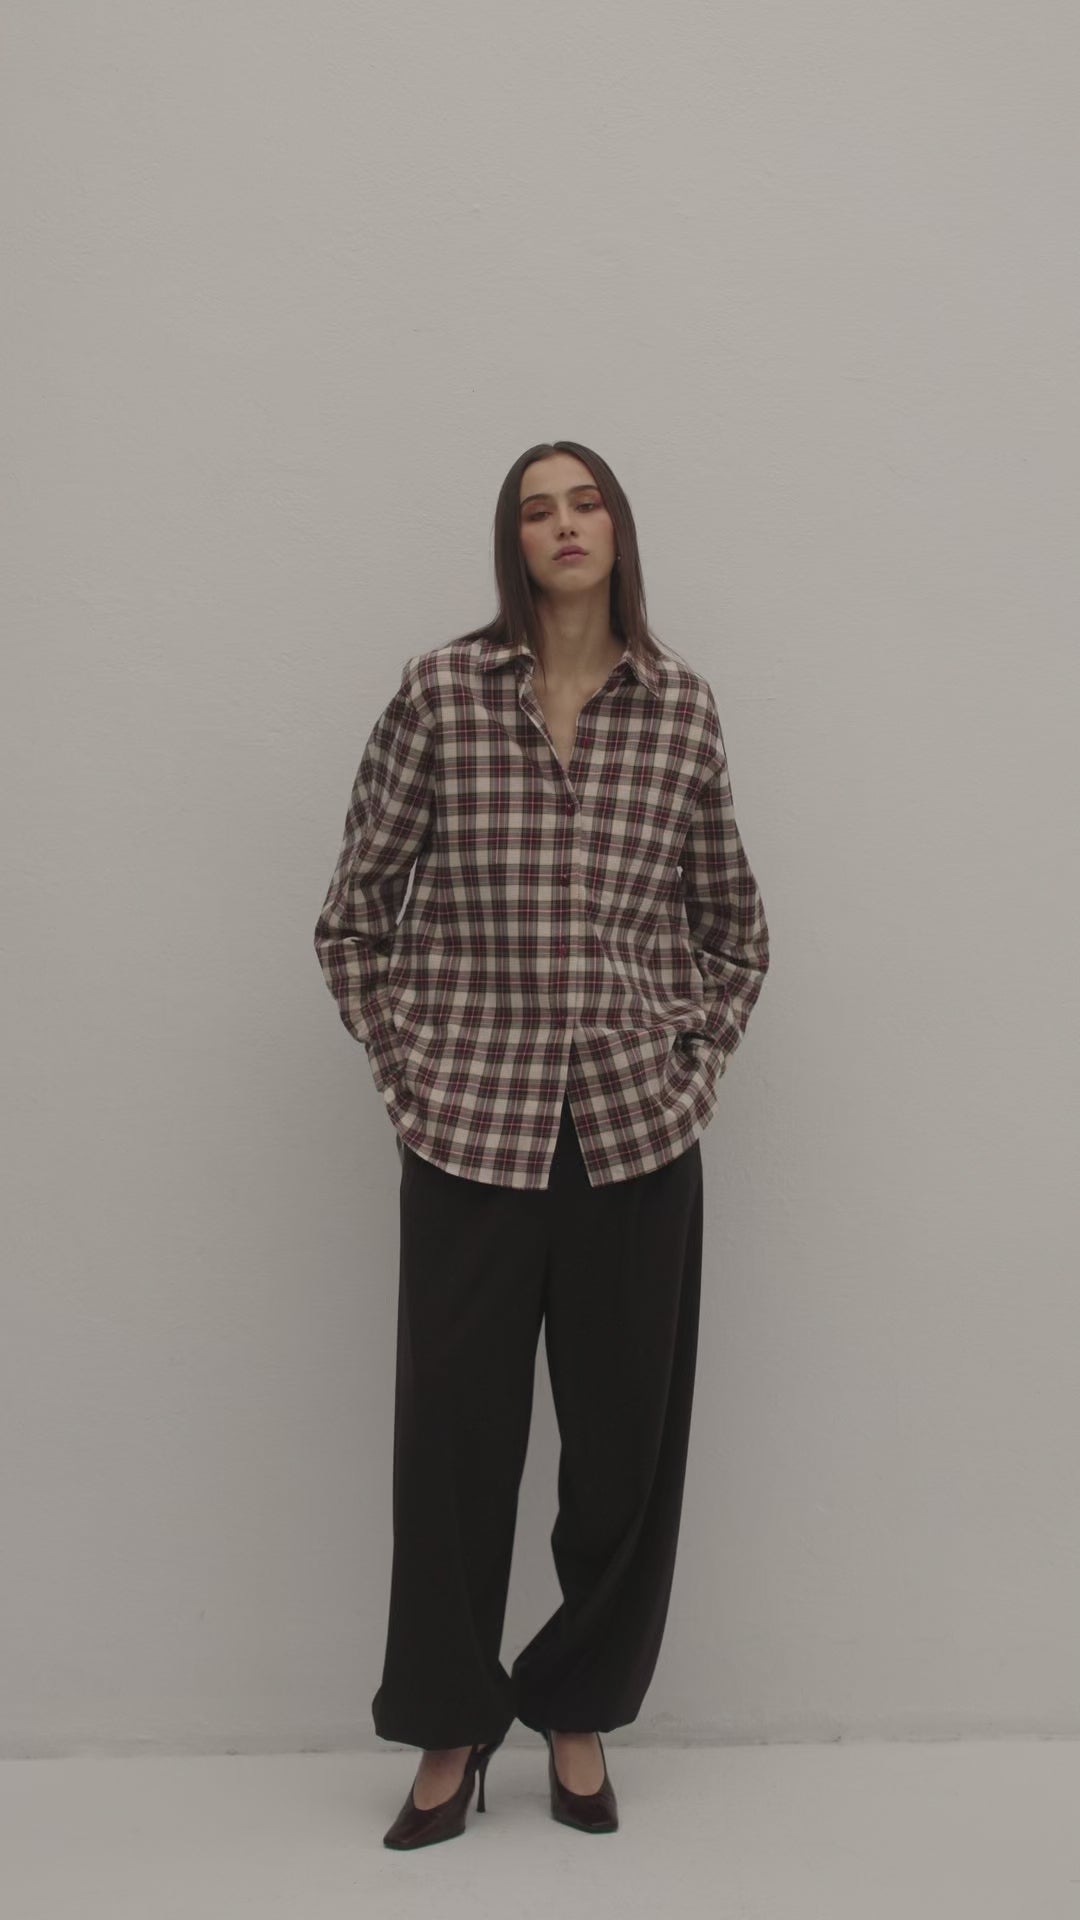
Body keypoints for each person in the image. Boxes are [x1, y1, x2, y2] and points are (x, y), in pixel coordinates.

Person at [313, 440, 770, 1849]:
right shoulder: (442, 695)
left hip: (635, 1134)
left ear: (618, 530)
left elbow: (732, 927)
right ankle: (450, 1724)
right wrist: (413, 1070)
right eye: (536, 509)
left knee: (623, 1448)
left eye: (586, 503)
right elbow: (355, 915)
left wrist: (691, 1064)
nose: (565, 525)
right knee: (454, 1445)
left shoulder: (681, 711)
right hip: (472, 1132)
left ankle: (578, 1709)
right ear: (512, 543)